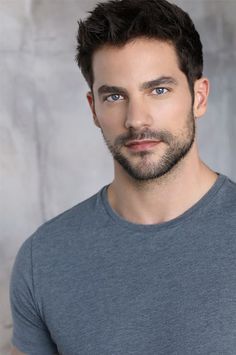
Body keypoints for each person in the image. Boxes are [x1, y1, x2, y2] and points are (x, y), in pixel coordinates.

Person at [10, 0, 236, 354]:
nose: (136, 119)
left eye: (158, 90)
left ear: (199, 97)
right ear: (94, 109)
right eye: (114, 96)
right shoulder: (44, 258)